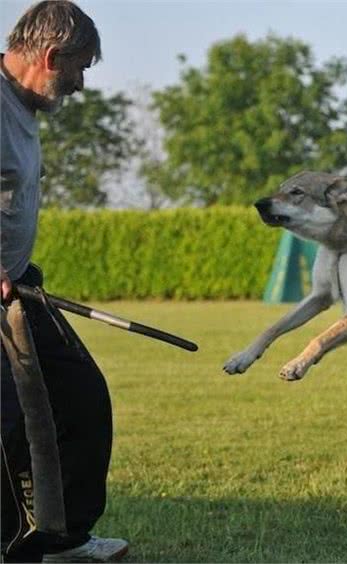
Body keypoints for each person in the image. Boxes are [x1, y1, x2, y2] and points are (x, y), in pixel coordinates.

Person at [1, 2, 129, 561]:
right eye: (78, 69)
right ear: (51, 56)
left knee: (81, 399)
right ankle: (11, 547)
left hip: (18, 287)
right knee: (5, 424)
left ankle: (66, 538)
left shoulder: (23, 107)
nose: (79, 84)